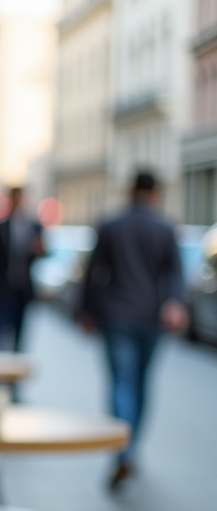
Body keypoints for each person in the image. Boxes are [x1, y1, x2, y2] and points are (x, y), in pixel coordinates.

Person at [79, 170, 188, 491]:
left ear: (131, 192)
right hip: (150, 317)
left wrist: (86, 311)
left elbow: (93, 271)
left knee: (120, 383)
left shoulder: (112, 225)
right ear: (155, 193)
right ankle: (131, 448)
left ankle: (123, 451)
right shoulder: (165, 227)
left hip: (115, 316)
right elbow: (176, 273)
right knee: (140, 383)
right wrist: (174, 303)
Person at [0, 186, 44, 352]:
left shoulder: (33, 227)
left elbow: (40, 254)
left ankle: (14, 372)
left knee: (20, 334)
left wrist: (38, 251)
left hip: (22, 290)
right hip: (1, 289)